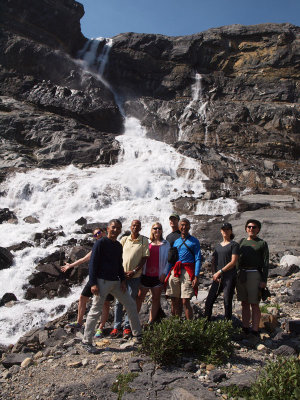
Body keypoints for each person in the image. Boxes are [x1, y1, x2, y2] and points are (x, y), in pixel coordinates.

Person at [82, 219, 142, 354]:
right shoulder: (100, 243)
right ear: (108, 229)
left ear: (120, 230)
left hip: (116, 282)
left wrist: (122, 280)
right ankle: (86, 340)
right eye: (113, 227)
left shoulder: (118, 246)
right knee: (96, 310)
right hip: (102, 282)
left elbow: (119, 264)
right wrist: (93, 283)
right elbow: (93, 264)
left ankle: (137, 335)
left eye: (118, 228)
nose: (115, 230)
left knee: (131, 304)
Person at [61, 227, 112, 338]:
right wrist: (70, 265)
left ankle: (101, 328)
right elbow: (83, 259)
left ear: (104, 232)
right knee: (82, 298)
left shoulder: (111, 245)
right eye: (95, 235)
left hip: (106, 278)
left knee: (105, 303)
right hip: (94, 279)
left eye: (98, 233)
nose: (97, 235)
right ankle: (79, 322)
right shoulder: (96, 247)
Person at [111, 220, 149, 339]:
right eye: (133, 225)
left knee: (130, 301)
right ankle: (116, 326)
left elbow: (144, 258)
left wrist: (134, 271)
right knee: (118, 302)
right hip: (121, 275)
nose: (135, 227)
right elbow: (117, 256)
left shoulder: (144, 240)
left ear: (140, 228)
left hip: (135, 277)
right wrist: (121, 272)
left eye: (137, 226)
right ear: (130, 227)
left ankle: (127, 326)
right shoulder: (124, 239)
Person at [162, 218, 202, 320]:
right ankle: (177, 324)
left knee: (185, 300)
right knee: (174, 299)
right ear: (179, 227)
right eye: (182, 225)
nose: (184, 227)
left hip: (187, 271)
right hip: (175, 270)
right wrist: (166, 274)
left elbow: (198, 259)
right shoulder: (176, 242)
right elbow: (172, 259)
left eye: (186, 225)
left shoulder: (194, 241)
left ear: (189, 227)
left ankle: (190, 326)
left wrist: (196, 276)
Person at [236, 219, 269, 336]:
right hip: (242, 274)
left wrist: (264, 280)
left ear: (258, 229)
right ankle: (245, 327)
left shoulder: (262, 243)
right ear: (246, 228)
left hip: (255, 273)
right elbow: (236, 260)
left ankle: (255, 329)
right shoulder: (241, 242)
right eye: (249, 227)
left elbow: (265, 263)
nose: (251, 229)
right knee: (244, 303)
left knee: (254, 303)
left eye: (254, 227)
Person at [136, 222, 170, 324]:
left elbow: (169, 260)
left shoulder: (166, 244)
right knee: (139, 298)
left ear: (162, 230)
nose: (157, 230)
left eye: (159, 228)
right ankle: (134, 320)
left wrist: (164, 273)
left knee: (156, 299)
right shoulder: (147, 243)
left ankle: (150, 321)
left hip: (158, 276)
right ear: (152, 230)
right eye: (155, 228)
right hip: (146, 275)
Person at [204, 223, 239, 321]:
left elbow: (233, 262)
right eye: (224, 229)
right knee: (209, 300)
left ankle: (227, 324)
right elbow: (213, 261)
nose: (225, 231)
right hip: (218, 277)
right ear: (221, 231)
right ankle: (205, 323)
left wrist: (220, 271)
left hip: (229, 277)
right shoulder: (218, 246)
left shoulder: (234, 245)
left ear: (231, 231)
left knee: (227, 301)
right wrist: (214, 273)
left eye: (228, 229)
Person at [165, 213, 183, 316]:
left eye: (174, 219)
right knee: (172, 295)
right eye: (171, 219)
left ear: (178, 221)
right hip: (170, 268)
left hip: (180, 268)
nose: (172, 221)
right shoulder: (168, 236)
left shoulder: (181, 234)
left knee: (180, 296)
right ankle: (174, 318)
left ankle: (179, 317)